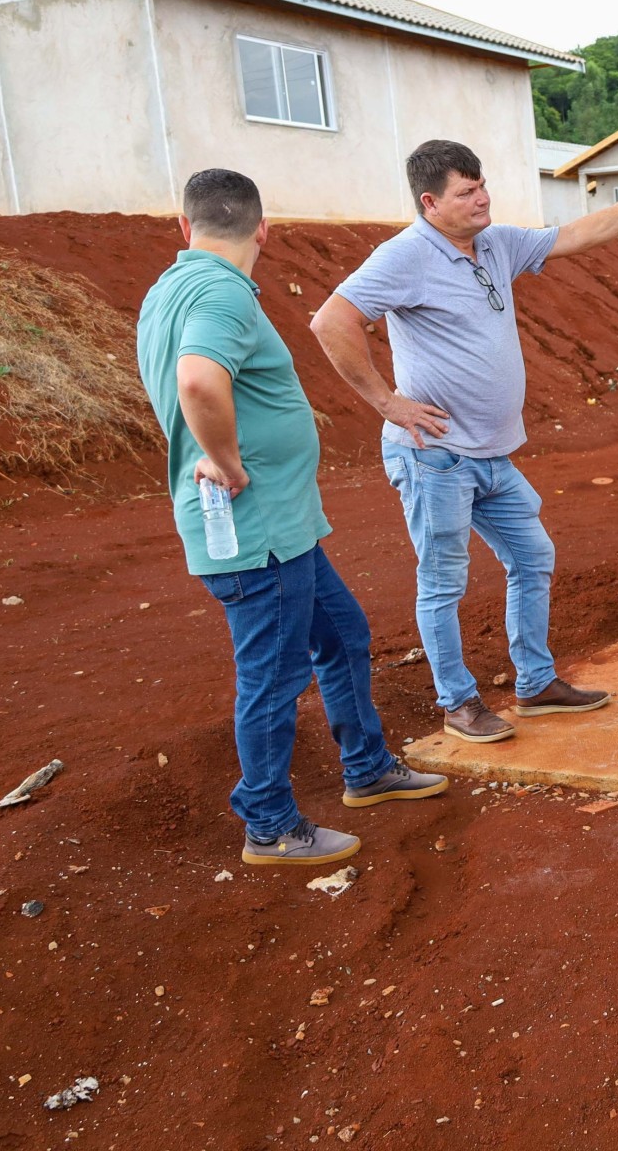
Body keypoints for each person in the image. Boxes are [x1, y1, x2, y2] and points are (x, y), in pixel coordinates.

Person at [136, 169, 448, 867]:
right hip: (257, 532)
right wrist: (225, 458)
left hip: (283, 528)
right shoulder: (220, 292)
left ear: (185, 229)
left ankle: (366, 769)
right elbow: (196, 378)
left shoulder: (171, 287)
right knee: (273, 679)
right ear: (263, 230)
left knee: (341, 635)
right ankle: (270, 822)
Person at [312, 139, 618, 743]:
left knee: (532, 557)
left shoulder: (497, 244)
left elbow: (577, 234)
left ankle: (536, 683)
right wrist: (388, 404)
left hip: (490, 454)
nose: (482, 198)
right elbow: (330, 321)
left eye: (482, 185)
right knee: (443, 580)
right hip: (435, 457)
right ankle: (458, 703)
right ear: (430, 202)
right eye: (466, 192)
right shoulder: (404, 255)